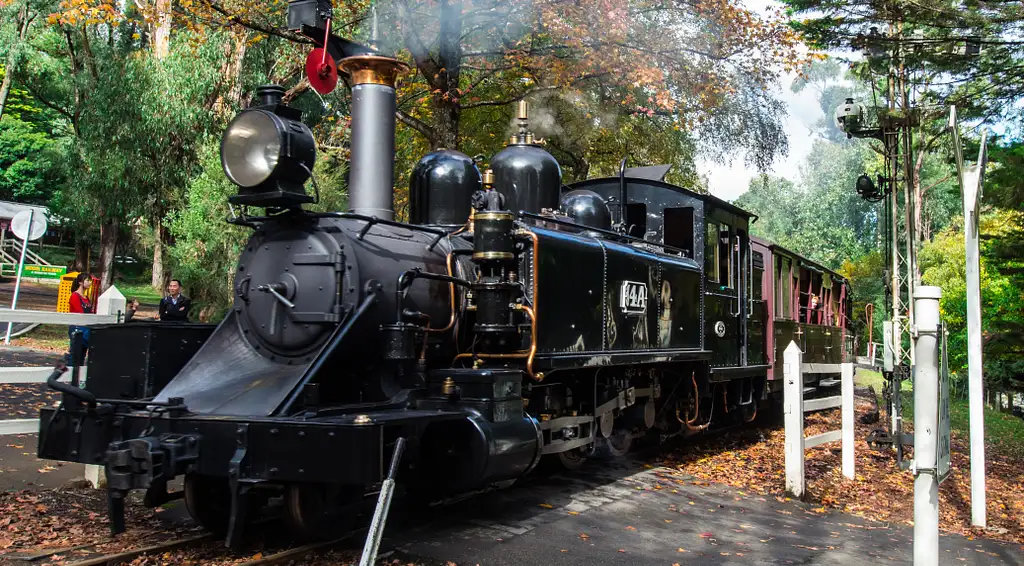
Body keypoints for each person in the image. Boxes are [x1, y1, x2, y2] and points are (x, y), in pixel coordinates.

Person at [66, 272, 94, 363]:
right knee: (74, 356)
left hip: (86, 328)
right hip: (77, 328)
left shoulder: (86, 298)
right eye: (87, 280)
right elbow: (79, 313)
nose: (90, 283)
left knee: (82, 355)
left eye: (90, 281)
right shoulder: (75, 296)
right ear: (80, 282)